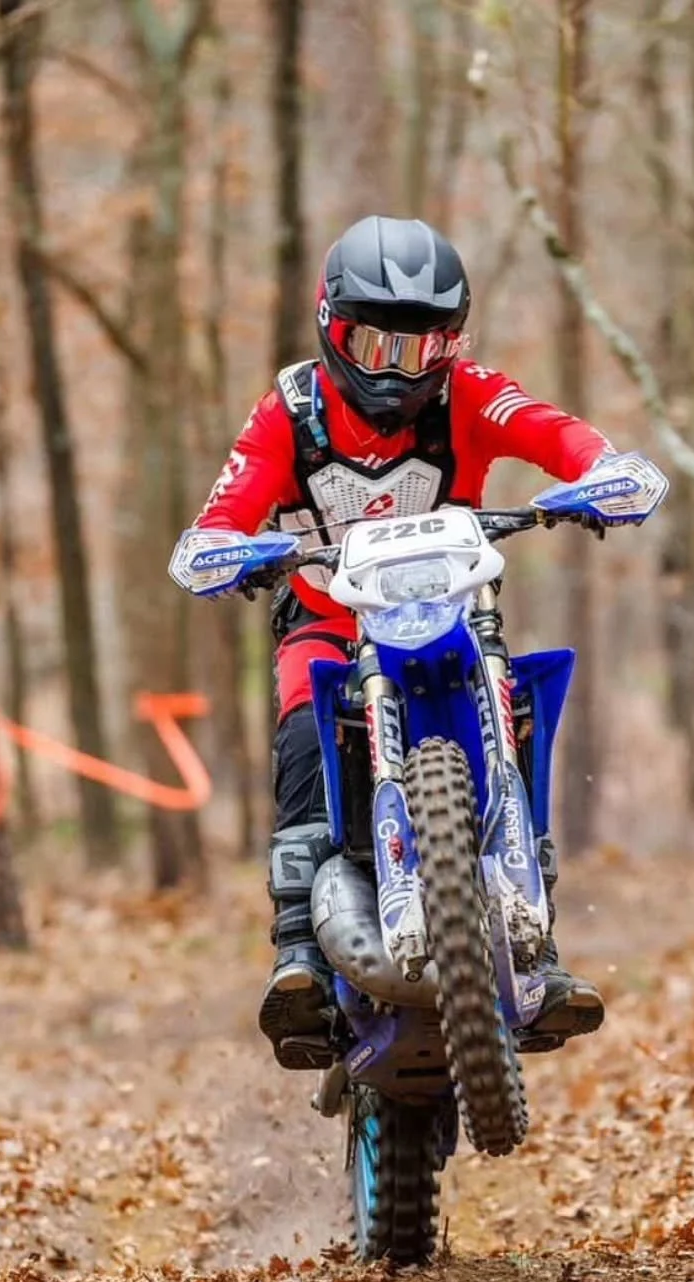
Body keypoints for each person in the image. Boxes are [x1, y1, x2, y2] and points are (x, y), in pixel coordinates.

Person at [180, 214, 621, 1070]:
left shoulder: (473, 393)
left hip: (452, 614)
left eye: (421, 350)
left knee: (514, 719)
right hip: (330, 619)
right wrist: (224, 549)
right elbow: (221, 513)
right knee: (307, 732)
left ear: (450, 347)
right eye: (374, 344)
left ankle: (534, 946)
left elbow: (553, 430)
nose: (396, 369)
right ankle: (300, 951)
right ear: (331, 326)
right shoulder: (292, 410)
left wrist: (602, 472)